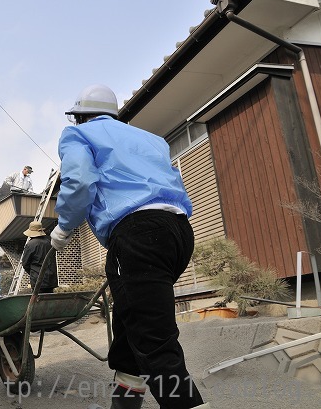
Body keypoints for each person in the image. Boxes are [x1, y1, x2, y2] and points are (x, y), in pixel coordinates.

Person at [50, 84, 208, 409]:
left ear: (80, 116)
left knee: (153, 340)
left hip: (137, 234)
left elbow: (79, 182)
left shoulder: (78, 135)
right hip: (178, 232)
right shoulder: (152, 140)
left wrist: (64, 227)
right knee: (128, 324)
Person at [20, 220, 57, 293]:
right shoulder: (49, 242)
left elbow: (25, 263)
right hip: (51, 279)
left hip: (38, 279)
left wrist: (33, 273)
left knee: (38, 300)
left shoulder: (31, 244)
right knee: (48, 300)